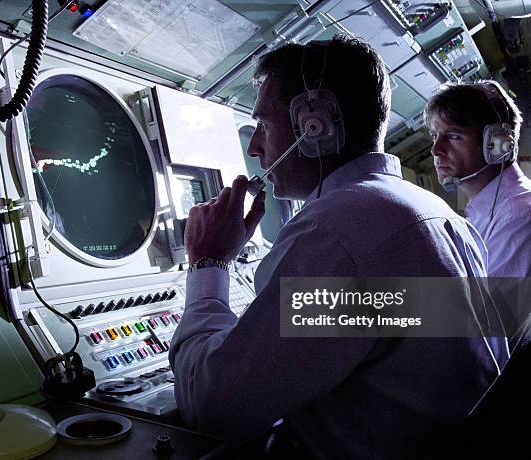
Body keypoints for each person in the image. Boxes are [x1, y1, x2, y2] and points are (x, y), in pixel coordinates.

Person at [169, 35, 507, 459]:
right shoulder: (438, 214)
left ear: (316, 125)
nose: (256, 148)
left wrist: (209, 264)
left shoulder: (340, 231)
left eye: (264, 126)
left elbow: (212, 407)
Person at [424, 81, 531, 277]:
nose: (435, 149)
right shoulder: (489, 209)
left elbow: (491, 307)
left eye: (453, 136)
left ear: (498, 144)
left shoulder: (517, 216)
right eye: (434, 136)